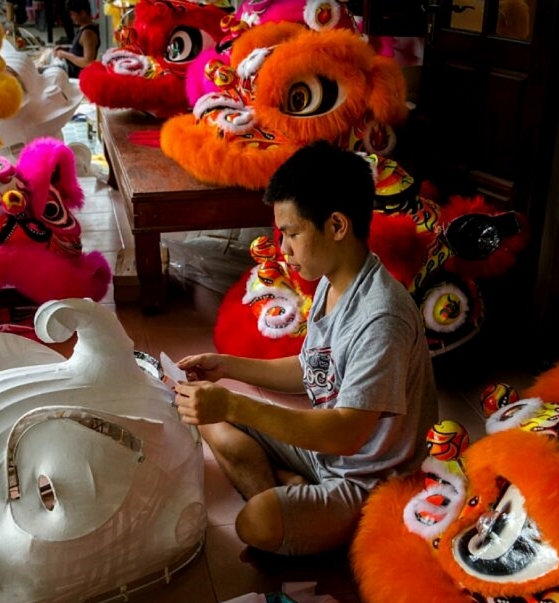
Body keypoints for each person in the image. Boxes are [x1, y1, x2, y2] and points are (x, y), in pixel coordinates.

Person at [173, 141, 438, 557]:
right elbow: (311, 367)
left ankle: (296, 506)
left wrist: (236, 404)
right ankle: (291, 494)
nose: (284, 248)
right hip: (326, 453)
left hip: (369, 479)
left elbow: (346, 433)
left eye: (292, 233)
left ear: (336, 226)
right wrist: (226, 367)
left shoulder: (381, 317)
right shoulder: (334, 283)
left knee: (254, 523)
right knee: (210, 418)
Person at [52, 0, 99, 78]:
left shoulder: (88, 34)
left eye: (73, 15)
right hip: (68, 67)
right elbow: (79, 51)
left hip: (73, 72)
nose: (71, 18)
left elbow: (87, 62)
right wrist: (65, 49)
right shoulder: (83, 29)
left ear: (83, 13)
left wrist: (65, 54)